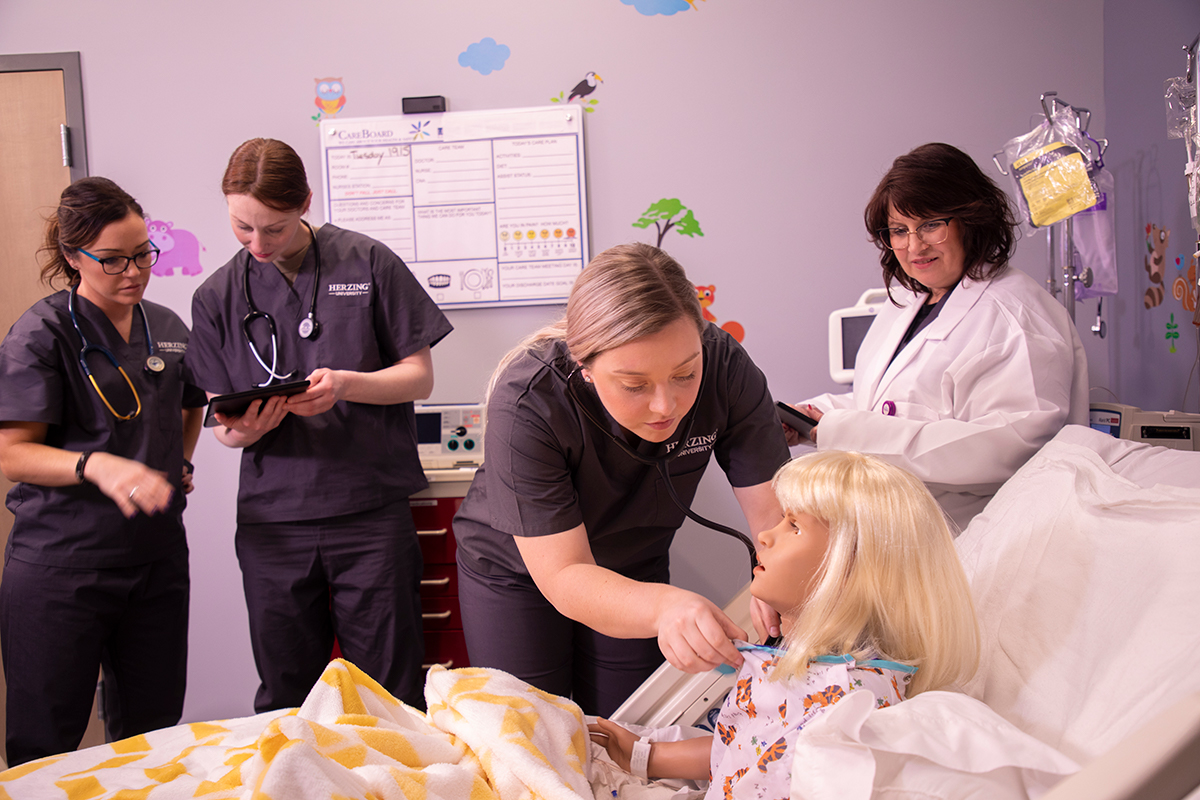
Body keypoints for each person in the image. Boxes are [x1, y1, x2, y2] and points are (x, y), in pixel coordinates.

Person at [452, 243, 791, 717]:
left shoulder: (726, 368)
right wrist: (667, 608)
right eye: (634, 385)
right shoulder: (529, 397)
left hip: (634, 566)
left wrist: (783, 585)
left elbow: (775, 519)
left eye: (685, 374)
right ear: (584, 366)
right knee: (532, 730)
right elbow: (565, 574)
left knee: (628, 728)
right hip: (519, 573)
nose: (665, 406)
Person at [185, 138, 453, 710]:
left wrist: (348, 385)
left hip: (369, 511)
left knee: (389, 689)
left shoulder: (368, 262)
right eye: (242, 227)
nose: (258, 243)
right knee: (287, 690)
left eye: (274, 228)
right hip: (274, 522)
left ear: (305, 202)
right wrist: (251, 426)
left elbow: (418, 377)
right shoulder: (215, 297)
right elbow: (223, 427)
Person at [588, 450, 980, 797]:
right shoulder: (807, 660)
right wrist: (646, 757)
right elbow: (749, 748)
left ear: (848, 570)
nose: (764, 535)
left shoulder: (849, 705)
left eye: (793, 525)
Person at [0, 177, 206, 766]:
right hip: (62, 567)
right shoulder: (41, 335)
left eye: (143, 254)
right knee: (46, 745)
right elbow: (14, 453)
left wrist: (180, 458)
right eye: (112, 260)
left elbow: (192, 401)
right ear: (72, 257)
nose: (133, 272)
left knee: (153, 737)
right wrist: (97, 465)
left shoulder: (165, 326)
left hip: (156, 560)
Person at [787, 142, 1089, 532]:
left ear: (971, 220)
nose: (914, 246)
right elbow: (885, 404)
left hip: (971, 535)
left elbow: (1010, 447)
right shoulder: (910, 301)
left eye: (930, 225)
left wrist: (841, 432)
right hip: (898, 529)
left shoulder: (1016, 315)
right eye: (899, 230)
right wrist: (814, 417)